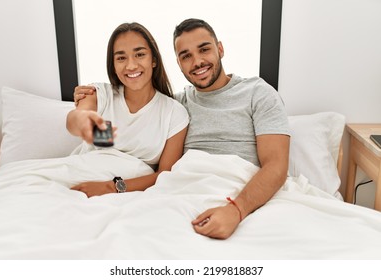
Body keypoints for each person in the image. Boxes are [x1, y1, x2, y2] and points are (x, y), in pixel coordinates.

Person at [74, 18, 290, 240]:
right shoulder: (176, 106)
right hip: (179, 191)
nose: (197, 61)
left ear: (220, 49)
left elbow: (276, 165)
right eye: (186, 56)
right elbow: (130, 123)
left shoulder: (258, 93)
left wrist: (236, 210)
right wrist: (87, 103)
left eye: (204, 49)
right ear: (178, 63)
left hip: (237, 191)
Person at [67, 22, 189, 198]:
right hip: (80, 177)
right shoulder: (101, 94)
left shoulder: (174, 113)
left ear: (153, 60)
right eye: (121, 58)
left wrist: (111, 187)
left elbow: (164, 176)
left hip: (124, 193)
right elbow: (75, 118)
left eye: (139, 54)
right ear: (113, 65)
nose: (131, 65)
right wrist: (83, 121)